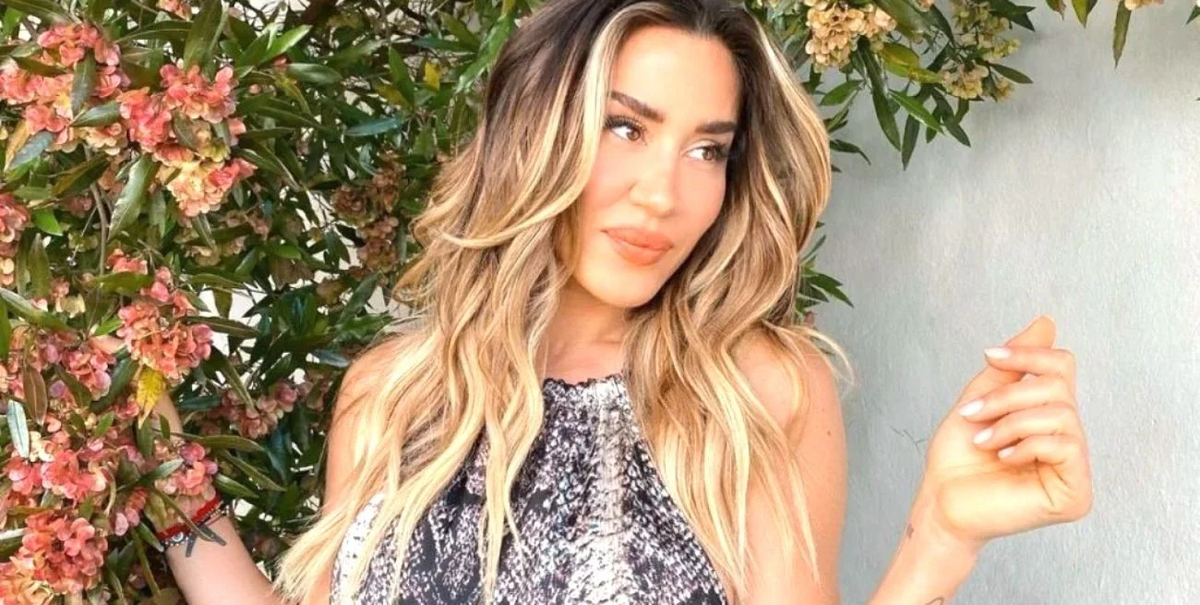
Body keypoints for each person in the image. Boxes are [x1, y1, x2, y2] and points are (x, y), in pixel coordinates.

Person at [147, 0, 1094, 603]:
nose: (662, 195)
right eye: (625, 128)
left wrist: (941, 537)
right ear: (534, 134)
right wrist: (152, 460)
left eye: (706, 149)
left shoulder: (756, 392)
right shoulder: (394, 393)